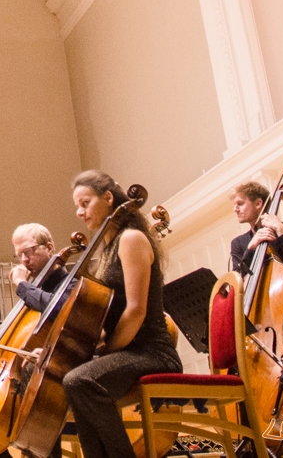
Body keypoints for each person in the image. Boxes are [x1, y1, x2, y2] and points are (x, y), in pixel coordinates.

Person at [59, 171, 182, 458]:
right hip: (130, 351)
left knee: (79, 381)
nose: (80, 212)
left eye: (85, 203)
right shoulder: (108, 247)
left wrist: (107, 350)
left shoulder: (131, 239)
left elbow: (136, 311)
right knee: (72, 380)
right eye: (77, 206)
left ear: (108, 198)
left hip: (152, 352)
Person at [228, 180, 283, 275]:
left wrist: (282, 232)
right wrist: (250, 249)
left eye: (240, 204)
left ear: (258, 203)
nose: (235, 209)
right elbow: (238, 282)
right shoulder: (238, 243)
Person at [11, 222, 68, 311]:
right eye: (19, 254)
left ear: (49, 248)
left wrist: (21, 282)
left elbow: (60, 309)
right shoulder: (35, 289)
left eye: (28, 251)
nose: (24, 259)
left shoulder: (73, 284)